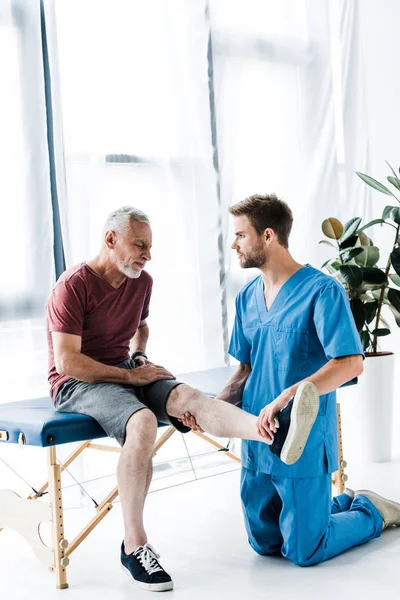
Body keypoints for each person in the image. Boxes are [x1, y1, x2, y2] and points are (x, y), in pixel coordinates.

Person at [46, 205, 318, 591]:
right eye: (139, 245)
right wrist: (130, 375)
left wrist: (138, 357)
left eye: (150, 246)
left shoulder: (141, 281)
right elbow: (68, 361)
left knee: (190, 396)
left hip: (126, 369)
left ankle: (273, 434)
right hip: (77, 383)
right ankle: (133, 545)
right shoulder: (73, 286)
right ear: (110, 240)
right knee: (141, 421)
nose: (147, 254)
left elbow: (140, 326)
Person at [182, 193, 400, 566]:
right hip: (256, 438)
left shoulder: (322, 291)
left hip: (302, 443)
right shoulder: (247, 297)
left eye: (240, 235)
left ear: (268, 236)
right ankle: (337, 504)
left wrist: (289, 394)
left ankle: (371, 510)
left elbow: (350, 363)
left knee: (304, 550)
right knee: (264, 543)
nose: (233, 244)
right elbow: (245, 372)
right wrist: (211, 409)